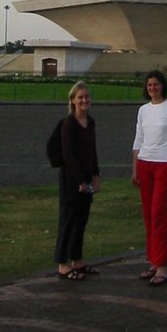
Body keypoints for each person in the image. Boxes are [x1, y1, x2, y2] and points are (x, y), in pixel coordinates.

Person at [131, 70, 167, 287]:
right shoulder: (143, 110)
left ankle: (162, 265)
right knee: (148, 216)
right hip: (145, 163)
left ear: (163, 85)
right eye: (149, 85)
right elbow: (138, 139)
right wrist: (134, 168)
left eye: (156, 84)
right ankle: (153, 260)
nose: (152, 88)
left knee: (160, 214)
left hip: (164, 165)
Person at [54, 81, 101, 281]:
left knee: (81, 221)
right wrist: (80, 181)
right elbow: (68, 156)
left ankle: (77, 259)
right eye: (80, 97)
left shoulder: (90, 122)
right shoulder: (68, 124)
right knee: (68, 221)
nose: (84, 100)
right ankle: (62, 264)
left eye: (86, 97)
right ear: (72, 100)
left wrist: (95, 176)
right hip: (71, 182)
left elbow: (92, 151)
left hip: (86, 180)